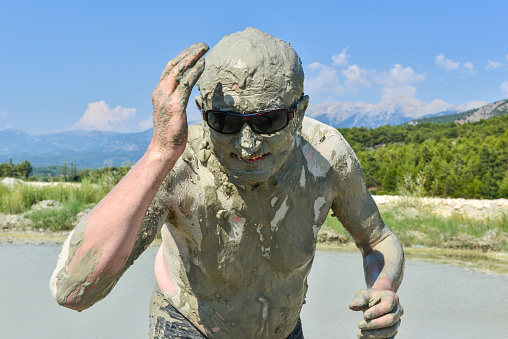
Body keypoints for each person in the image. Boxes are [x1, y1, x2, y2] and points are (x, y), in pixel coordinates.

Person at [50, 27, 404, 339]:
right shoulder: (180, 166)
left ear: (299, 112)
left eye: (269, 120)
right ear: (203, 112)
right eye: (225, 122)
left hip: (283, 329)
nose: (247, 144)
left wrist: (384, 287)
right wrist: (159, 152)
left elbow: (378, 239)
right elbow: (73, 292)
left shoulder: (326, 158)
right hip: (187, 325)